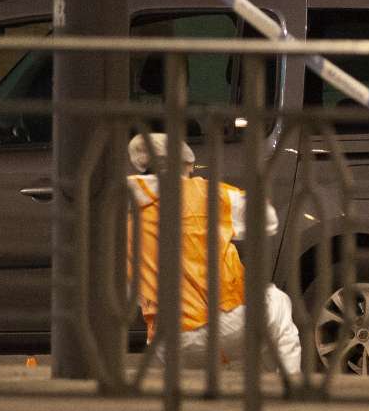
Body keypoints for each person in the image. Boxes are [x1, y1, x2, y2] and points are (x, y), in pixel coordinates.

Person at [126, 133, 301, 374]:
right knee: (277, 304)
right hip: (226, 319)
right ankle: (288, 388)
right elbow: (267, 220)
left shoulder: (125, 212)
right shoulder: (205, 193)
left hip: (170, 340)